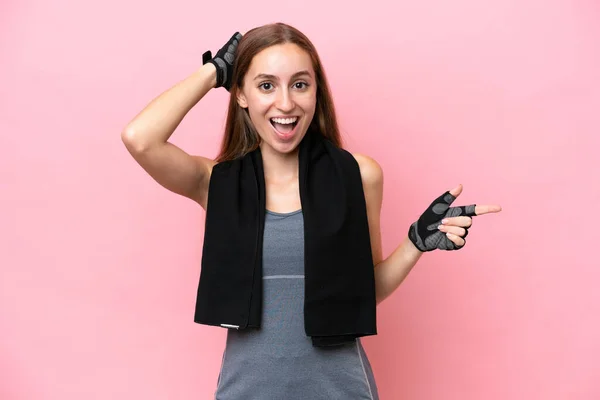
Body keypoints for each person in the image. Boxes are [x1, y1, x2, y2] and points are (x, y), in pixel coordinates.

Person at [121, 22, 502, 400]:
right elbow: (140, 139)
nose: (285, 103)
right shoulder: (216, 182)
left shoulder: (359, 175)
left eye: (300, 84)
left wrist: (415, 243)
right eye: (266, 85)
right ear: (240, 94)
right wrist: (214, 72)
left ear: (316, 92)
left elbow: (364, 291)